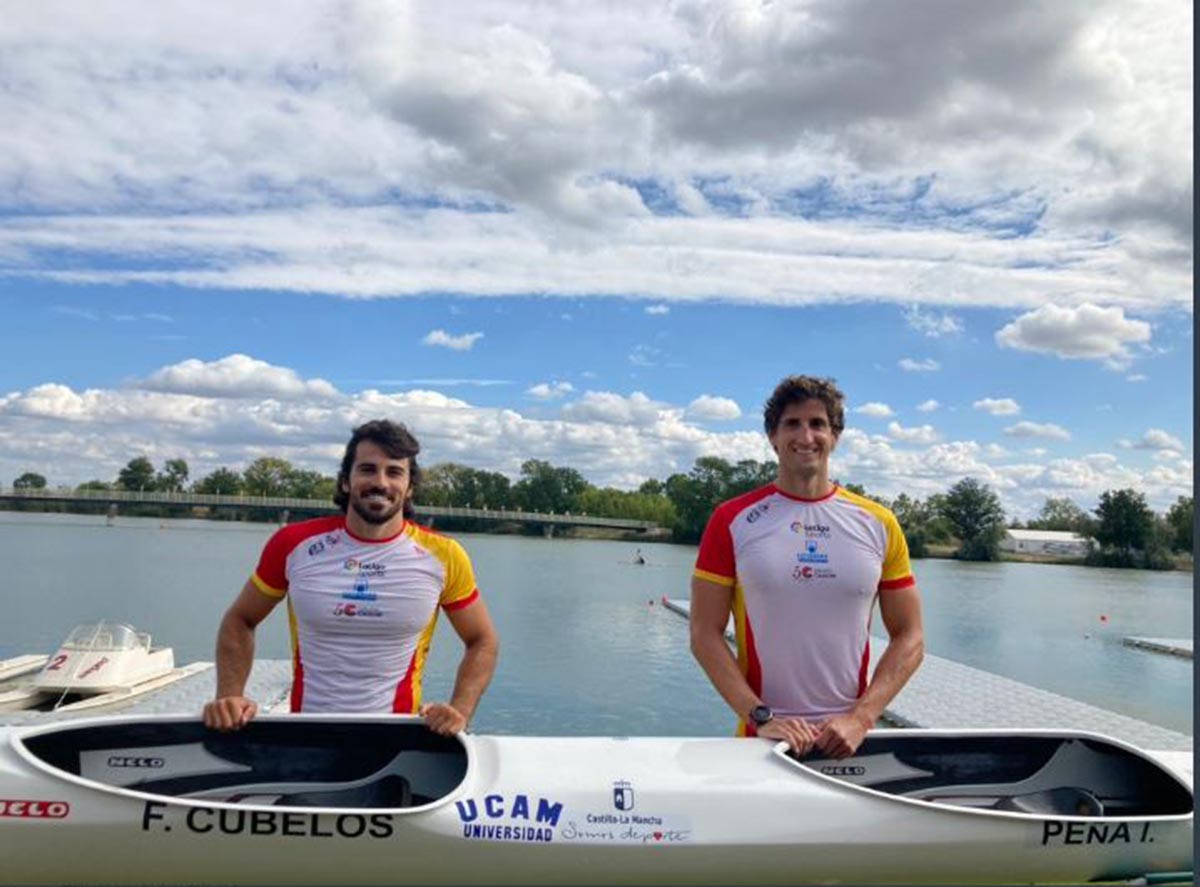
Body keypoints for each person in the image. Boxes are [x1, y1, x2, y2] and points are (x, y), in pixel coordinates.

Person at [203, 420, 499, 736]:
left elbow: (482, 640)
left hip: (396, 739)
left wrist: (460, 711)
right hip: (307, 736)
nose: (380, 482)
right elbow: (241, 619)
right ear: (346, 481)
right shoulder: (293, 544)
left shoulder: (444, 555)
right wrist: (229, 696)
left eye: (394, 472)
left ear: (410, 486)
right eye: (368, 469)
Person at [689, 375, 923, 759]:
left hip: (848, 743)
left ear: (835, 436)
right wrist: (760, 716)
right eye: (792, 424)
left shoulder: (879, 523)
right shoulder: (731, 520)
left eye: (818, 424)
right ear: (772, 437)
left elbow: (911, 637)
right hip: (763, 743)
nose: (806, 435)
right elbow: (703, 634)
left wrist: (861, 718)